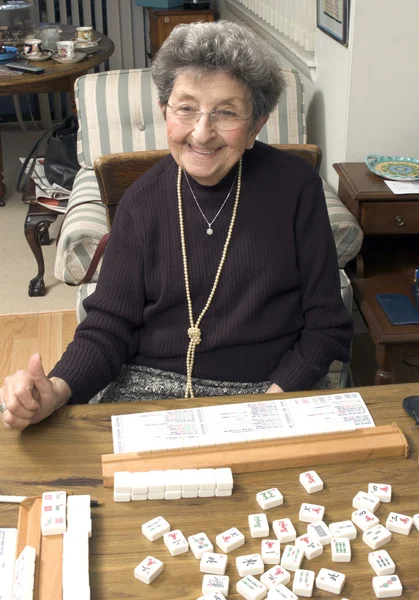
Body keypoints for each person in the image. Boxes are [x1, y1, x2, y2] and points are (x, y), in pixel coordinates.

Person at [0, 20, 353, 431]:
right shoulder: (141, 202)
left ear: (256, 124)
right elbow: (108, 328)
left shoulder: (296, 189)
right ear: (165, 110)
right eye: (186, 108)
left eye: (226, 112)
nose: (202, 133)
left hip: (264, 392)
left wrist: (273, 401)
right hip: (149, 389)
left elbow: (326, 325)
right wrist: (56, 390)